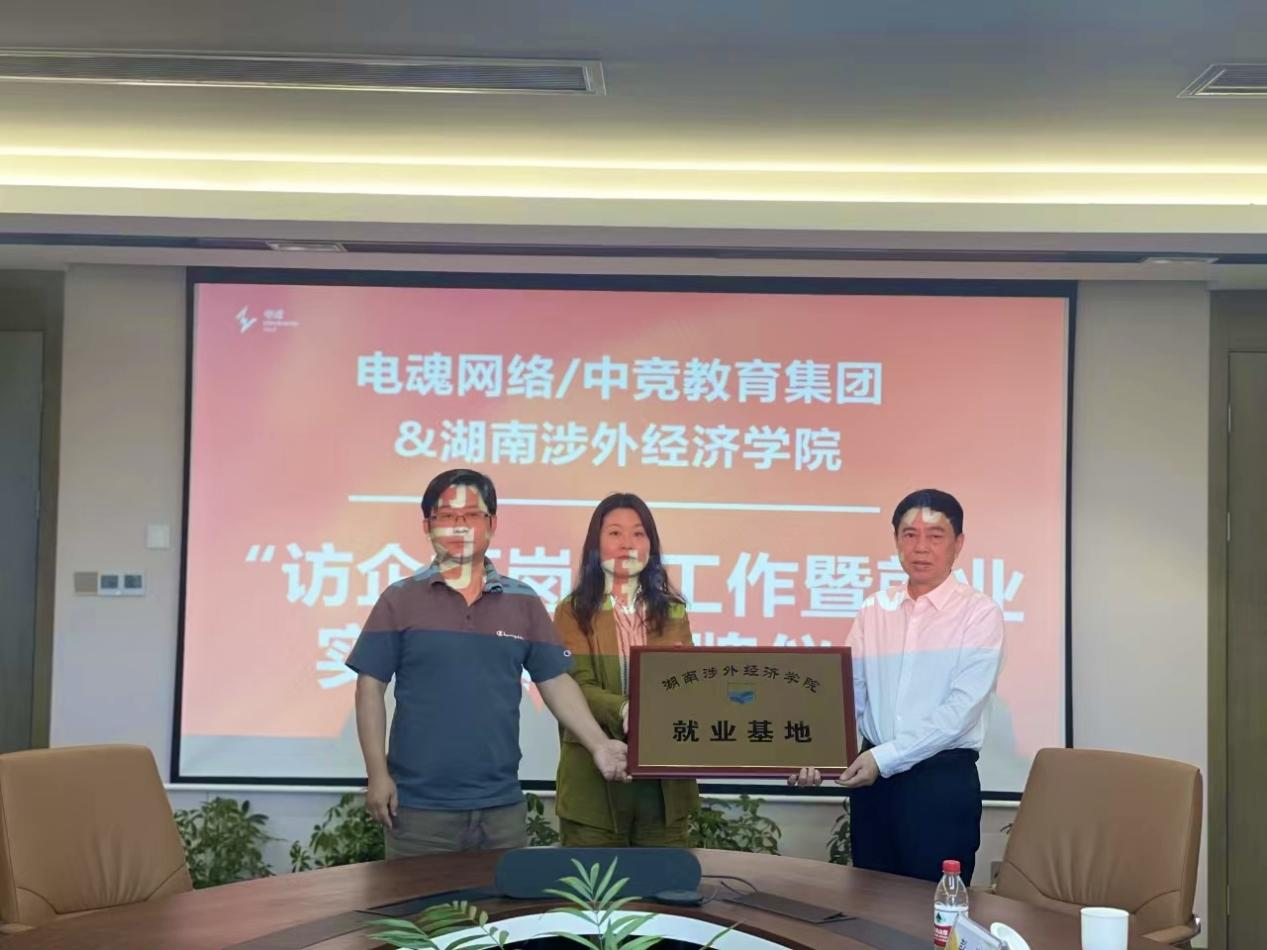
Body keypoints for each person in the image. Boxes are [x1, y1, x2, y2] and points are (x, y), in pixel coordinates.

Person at [346, 468, 630, 858]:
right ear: (427, 526)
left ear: (492, 524)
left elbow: (555, 681)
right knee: (416, 902)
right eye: (447, 516)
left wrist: (599, 744)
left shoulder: (522, 600)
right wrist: (377, 774)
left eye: (471, 515)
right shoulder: (399, 599)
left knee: (500, 900)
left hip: (501, 809)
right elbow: (369, 688)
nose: (459, 525)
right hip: (419, 811)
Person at [790, 488, 1004, 884]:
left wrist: (885, 758)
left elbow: (961, 711)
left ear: (958, 543)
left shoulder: (979, 614)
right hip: (875, 787)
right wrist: (817, 751)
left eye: (935, 535)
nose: (921, 547)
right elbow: (849, 694)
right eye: (910, 534)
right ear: (895, 540)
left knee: (935, 908)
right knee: (869, 901)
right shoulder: (875, 609)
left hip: (939, 783)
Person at [553, 493, 699, 846]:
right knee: (594, 882)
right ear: (596, 544)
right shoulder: (572, 611)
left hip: (663, 785)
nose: (627, 544)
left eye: (638, 533)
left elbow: (690, 683)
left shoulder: (673, 611)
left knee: (665, 880)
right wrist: (625, 709)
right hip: (594, 781)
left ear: (651, 545)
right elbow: (574, 683)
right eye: (615, 533)